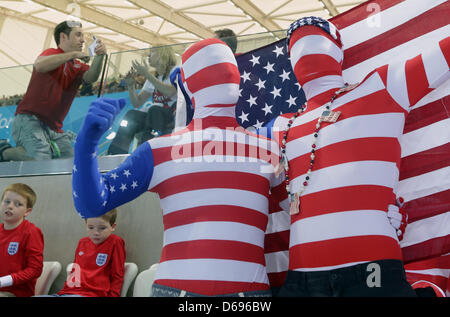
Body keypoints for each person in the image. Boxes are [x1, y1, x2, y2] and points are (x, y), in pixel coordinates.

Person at [72, 38, 284, 296]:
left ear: (185, 83)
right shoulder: (268, 148)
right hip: (247, 293)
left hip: (181, 289)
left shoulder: (160, 150)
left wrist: (85, 148)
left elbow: (91, 204)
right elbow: (292, 213)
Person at [265, 17, 449, 297]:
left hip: (367, 271)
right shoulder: (281, 127)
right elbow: (284, 196)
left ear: (338, 49)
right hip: (305, 279)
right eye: (294, 43)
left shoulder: (381, 86)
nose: (303, 43)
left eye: (315, 34)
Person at [10, 20, 107, 161]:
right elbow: (39, 65)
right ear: (63, 37)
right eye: (78, 35)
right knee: (40, 159)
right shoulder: (51, 53)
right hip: (29, 119)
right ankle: (4, 152)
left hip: (54, 127)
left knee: (69, 162)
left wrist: (99, 56)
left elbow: (91, 77)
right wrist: (72, 54)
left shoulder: (78, 66)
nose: (82, 40)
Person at [107, 46, 178, 155]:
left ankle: (146, 154)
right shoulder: (154, 76)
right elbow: (137, 103)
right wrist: (131, 86)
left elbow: (171, 92)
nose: (148, 56)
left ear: (163, 54)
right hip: (155, 116)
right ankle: (116, 153)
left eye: (152, 53)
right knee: (132, 115)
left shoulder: (175, 71)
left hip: (172, 116)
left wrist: (147, 75)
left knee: (155, 109)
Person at [46, 209, 125, 297]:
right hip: (68, 293)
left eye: (102, 228)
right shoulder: (82, 242)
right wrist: (64, 292)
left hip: (93, 294)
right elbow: (75, 270)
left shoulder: (115, 242)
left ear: (113, 227)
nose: (95, 232)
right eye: (91, 227)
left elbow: (117, 275)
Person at [173, 28, 238, 131]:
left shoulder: (213, 73)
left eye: (214, 43)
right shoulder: (207, 71)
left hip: (211, 130)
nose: (210, 46)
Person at [0, 183, 44, 297]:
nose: (10, 206)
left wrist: (3, 281)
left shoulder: (31, 232)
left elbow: (35, 269)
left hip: (16, 292)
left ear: (27, 212)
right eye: (7, 201)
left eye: (18, 204)